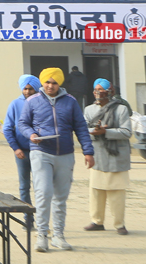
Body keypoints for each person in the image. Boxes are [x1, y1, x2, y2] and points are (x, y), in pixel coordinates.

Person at [16, 67, 94, 253]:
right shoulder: (32, 101)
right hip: (41, 152)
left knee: (60, 197)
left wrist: (88, 151)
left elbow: (81, 127)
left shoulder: (71, 101)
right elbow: (22, 123)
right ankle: (42, 235)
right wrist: (31, 134)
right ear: (42, 83)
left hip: (65, 154)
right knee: (43, 193)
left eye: (54, 83)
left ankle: (58, 235)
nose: (50, 86)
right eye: (47, 82)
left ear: (60, 84)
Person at [82, 80, 132, 235]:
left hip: (116, 155)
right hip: (97, 154)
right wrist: (95, 131)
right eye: (95, 90)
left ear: (110, 92)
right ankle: (97, 221)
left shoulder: (121, 109)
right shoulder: (89, 110)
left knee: (117, 192)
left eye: (101, 90)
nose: (98, 93)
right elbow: (83, 130)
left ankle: (119, 224)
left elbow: (126, 132)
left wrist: (106, 132)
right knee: (96, 191)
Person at [1, 75, 41, 228]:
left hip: (40, 152)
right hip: (22, 153)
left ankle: (42, 220)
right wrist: (16, 148)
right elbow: (7, 128)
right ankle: (28, 219)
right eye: (25, 89)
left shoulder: (42, 103)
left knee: (41, 187)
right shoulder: (15, 104)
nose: (28, 92)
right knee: (24, 187)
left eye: (31, 89)